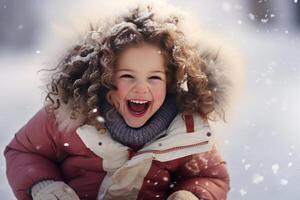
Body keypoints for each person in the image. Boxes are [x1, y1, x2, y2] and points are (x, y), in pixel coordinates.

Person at [4, 1, 240, 199]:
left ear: (170, 82)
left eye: (154, 78)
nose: (141, 88)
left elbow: (209, 176)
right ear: (105, 78)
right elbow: (24, 152)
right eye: (128, 76)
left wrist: (191, 195)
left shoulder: (187, 132)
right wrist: (44, 186)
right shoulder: (71, 116)